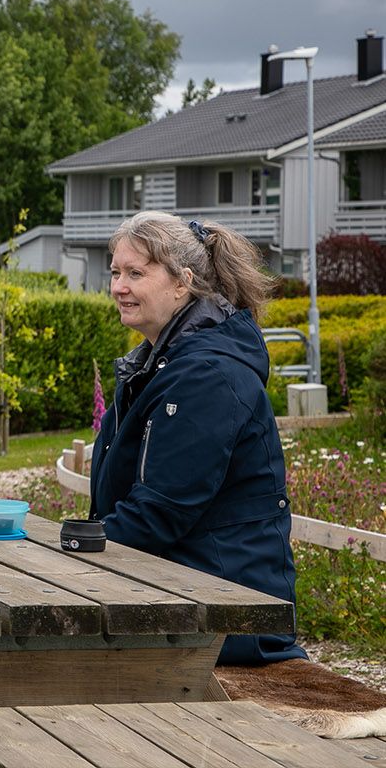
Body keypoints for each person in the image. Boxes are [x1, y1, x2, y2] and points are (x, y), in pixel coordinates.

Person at [90, 210, 306, 666]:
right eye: (114, 272)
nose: (118, 287)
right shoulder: (159, 362)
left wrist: (77, 545)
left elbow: (159, 512)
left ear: (181, 283)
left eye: (135, 273)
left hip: (228, 616)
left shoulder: (208, 373)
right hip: (177, 592)